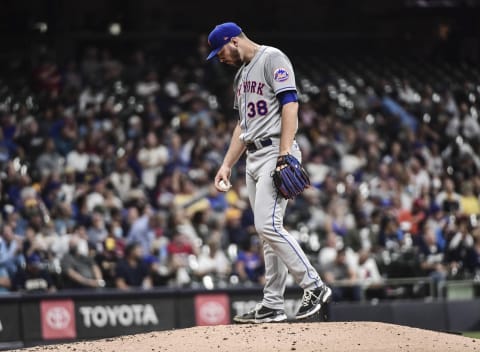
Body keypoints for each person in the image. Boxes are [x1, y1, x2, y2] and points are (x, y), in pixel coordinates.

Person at [207, 22, 331, 323]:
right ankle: (273, 305)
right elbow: (243, 126)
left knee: (268, 225)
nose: (219, 57)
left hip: (276, 151)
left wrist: (285, 154)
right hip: (252, 156)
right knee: (267, 234)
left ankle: (314, 286)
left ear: (234, 41)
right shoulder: (241, 74)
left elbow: (290, 105)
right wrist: (226, 164)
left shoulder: (272, 58)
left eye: (220, 50)